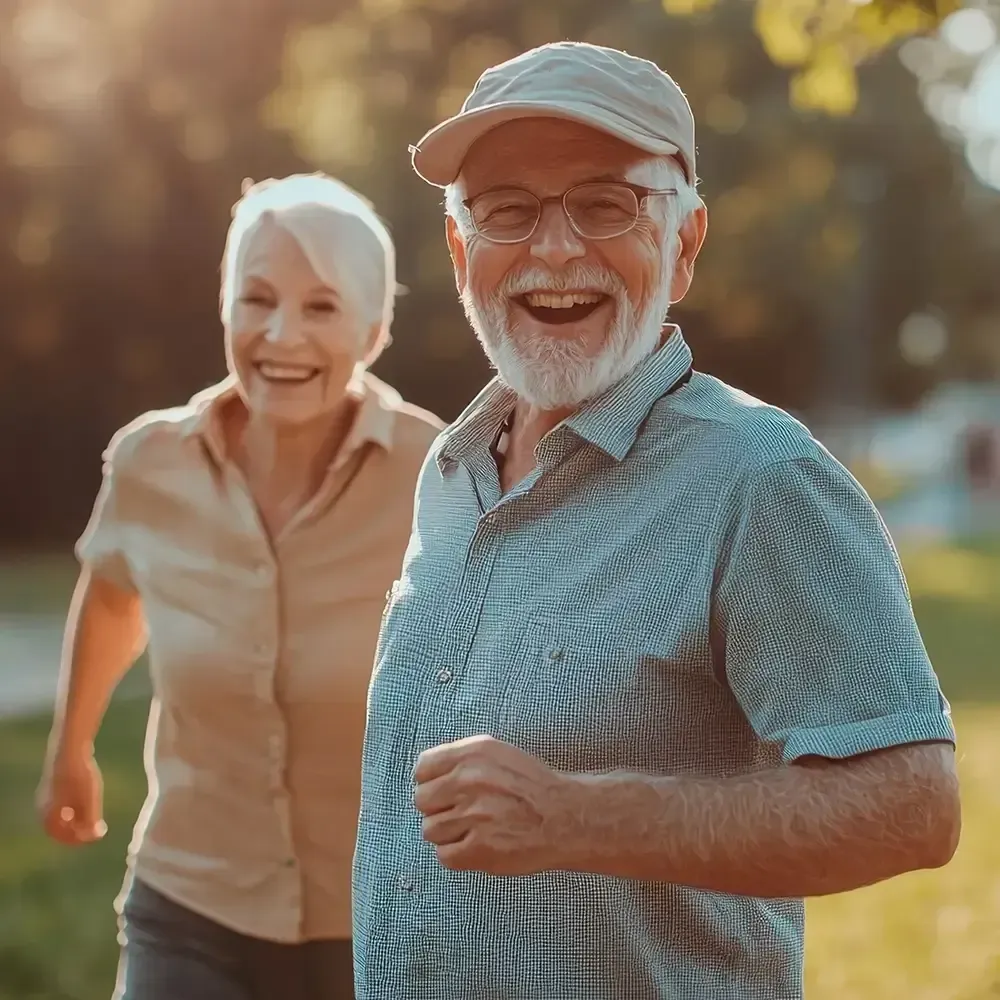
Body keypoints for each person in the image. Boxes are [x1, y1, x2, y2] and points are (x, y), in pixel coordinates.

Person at [352, 42, 961, 1000]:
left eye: (606, 204)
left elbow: (913, 808)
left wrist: (583, 819)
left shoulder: (762, 477)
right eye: (508, 210)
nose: (554, 251)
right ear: (463, 252)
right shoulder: (450, 468)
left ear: (683, 246)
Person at [37, 173, 443, 1000]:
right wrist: (70, 749)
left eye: (321, 307)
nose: (279, 335)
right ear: (224, 308)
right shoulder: (151, 462)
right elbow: (114, 593)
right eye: (255, 300)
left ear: (374, 329)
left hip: (382, 918)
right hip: (188, 901)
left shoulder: (436, 476)